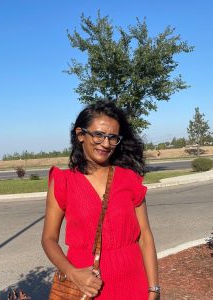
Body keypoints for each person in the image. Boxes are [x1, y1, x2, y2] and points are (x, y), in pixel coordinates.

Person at [41, 100, 160, 300]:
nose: (106, 144)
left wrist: (153, 288)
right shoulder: (64, 182)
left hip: (133, 283)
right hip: (86, 285)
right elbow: (48, 239)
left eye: (113, 138)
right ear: (81, 135)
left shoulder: (129, 178)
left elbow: (145, 236)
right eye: (98, 135)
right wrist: (72, 273)